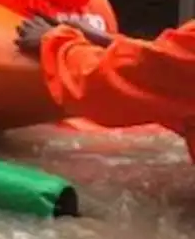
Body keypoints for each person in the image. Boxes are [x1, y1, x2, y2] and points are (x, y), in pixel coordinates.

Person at [15, 16, 194, 155]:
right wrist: (108, 41)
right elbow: (164, 65)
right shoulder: (97, 0)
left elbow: (106, 86)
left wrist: (56, 43)